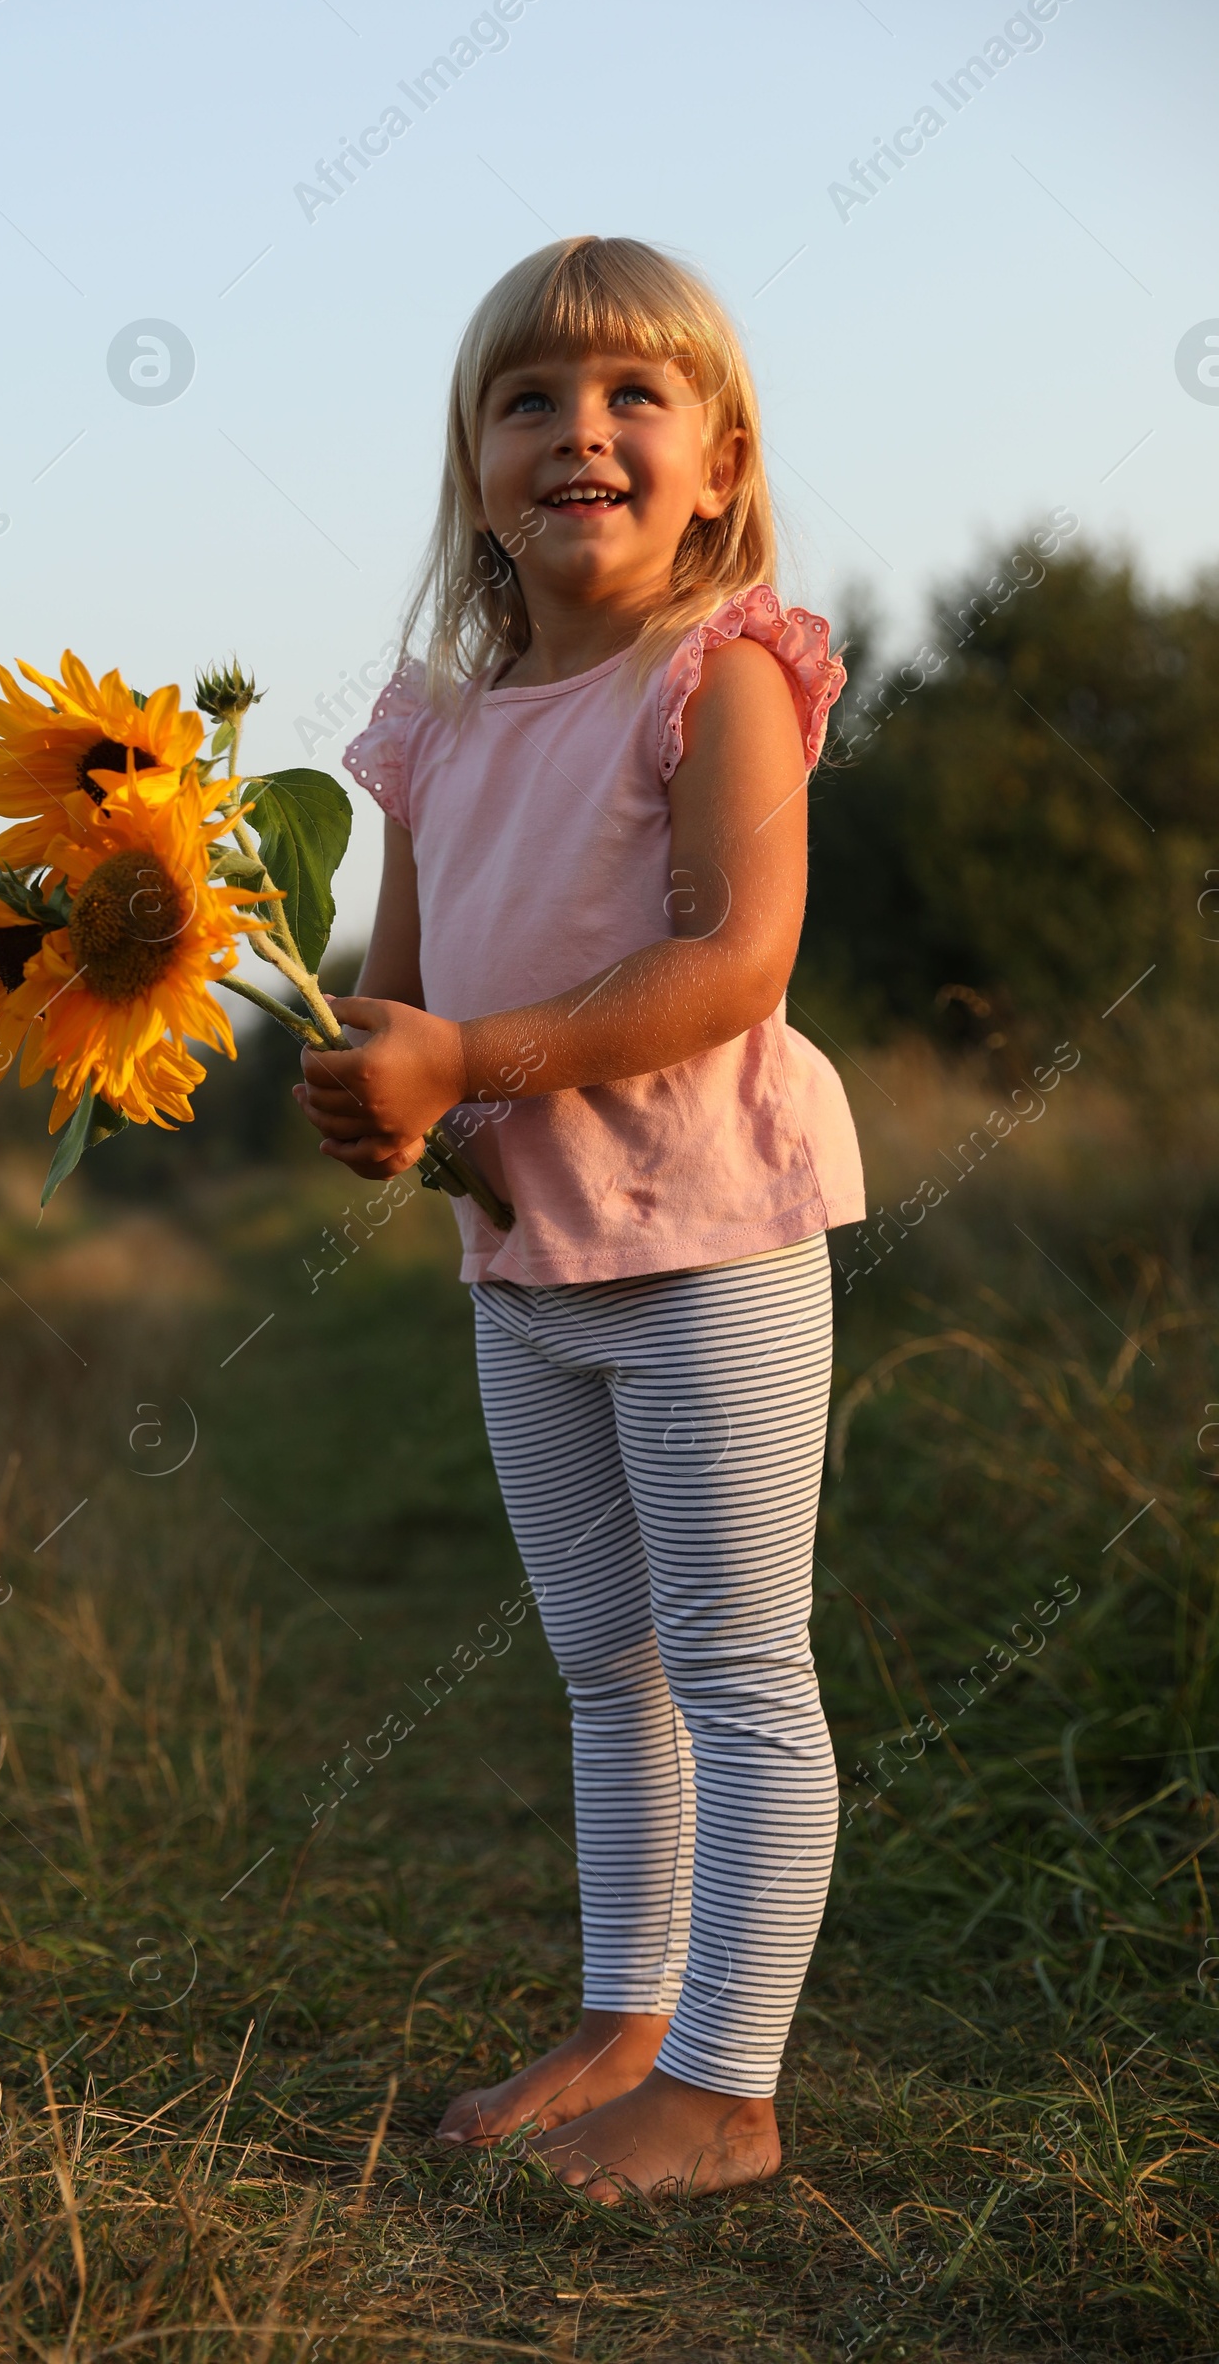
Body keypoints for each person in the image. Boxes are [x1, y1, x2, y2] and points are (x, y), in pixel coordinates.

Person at [293, 235, 866, 2201]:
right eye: (526, 400)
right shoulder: (431, 737)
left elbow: (730, 961)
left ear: (717, 463)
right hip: (522, 1264)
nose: (580, 431)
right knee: (600, 1664)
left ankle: (725, 2091)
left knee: (732, 1661)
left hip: (707, 1242)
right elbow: (405, 1005)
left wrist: (461, 1060)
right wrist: (378, 1100)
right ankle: (629, 2018)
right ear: (474, 474)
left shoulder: (719, 682)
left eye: (633, 396)